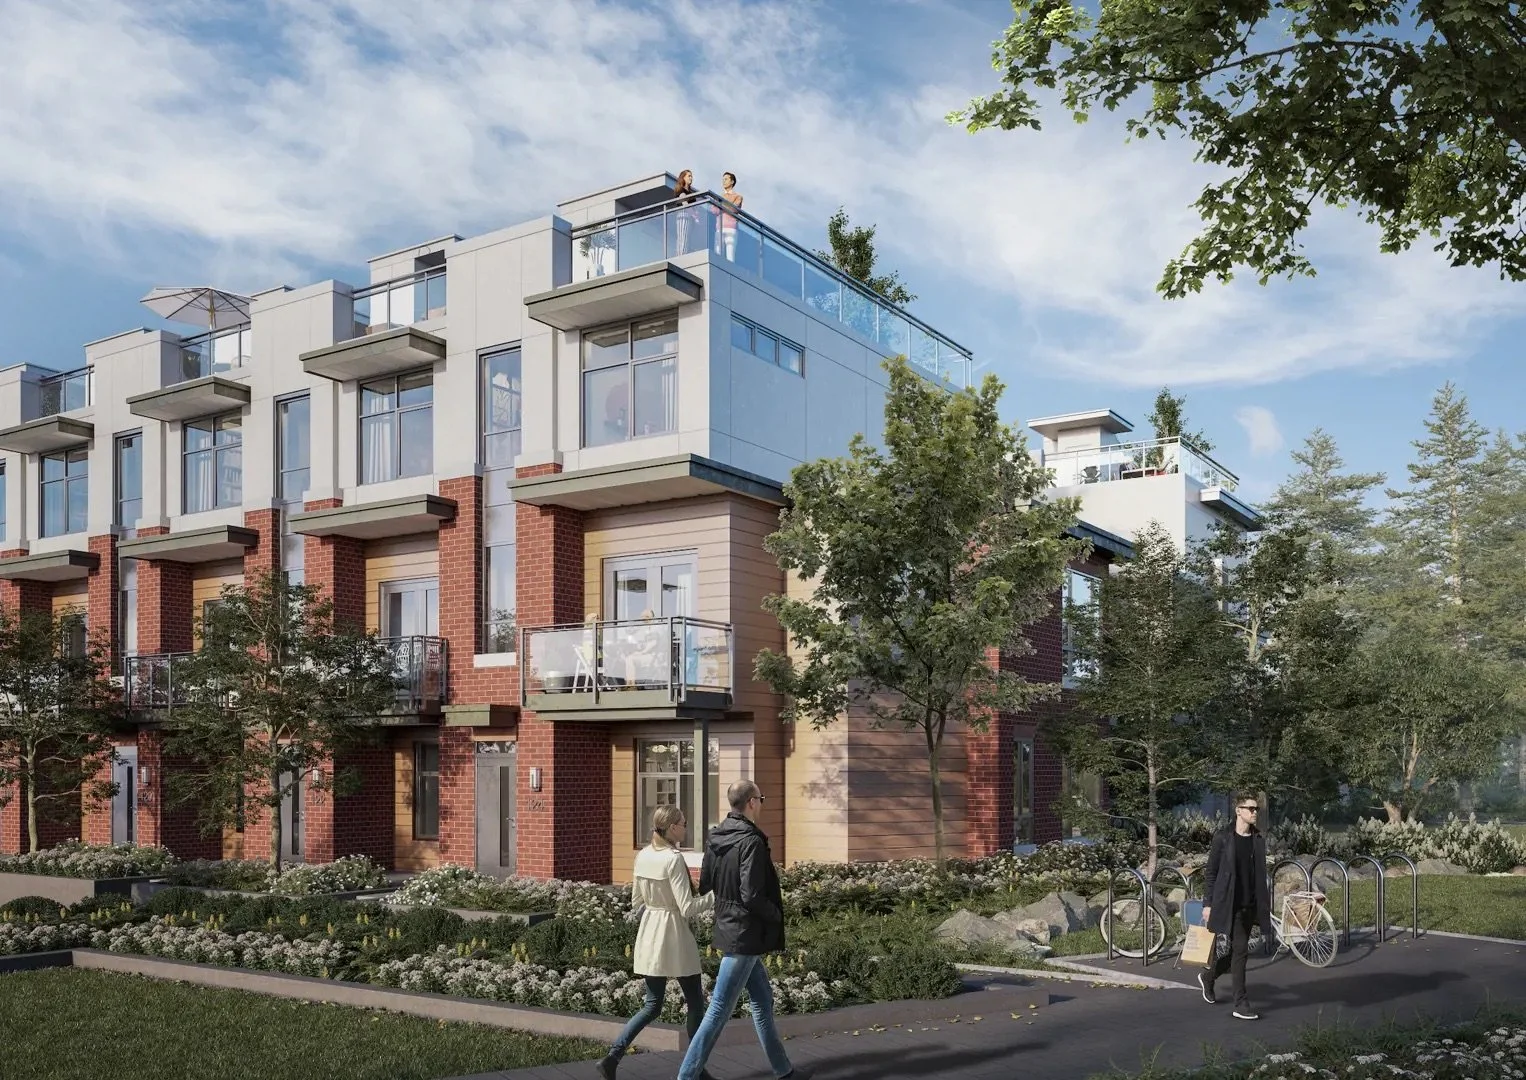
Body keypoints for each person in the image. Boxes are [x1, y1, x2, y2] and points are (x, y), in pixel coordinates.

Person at [676, 779, 802, 1080]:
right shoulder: (752, 841)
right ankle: (686, 1076)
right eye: (761, 798)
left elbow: (705, 883)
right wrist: (776, 915)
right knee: (719, 1007)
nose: (761, 803)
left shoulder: (716, 837)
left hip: (729, 925)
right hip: (745, 933)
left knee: (761, 1000)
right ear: (751, 803)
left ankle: (784, 1070)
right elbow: (752, 895)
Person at [597, 804, 714, 1080]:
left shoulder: (643, 856)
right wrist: (717, 897)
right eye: (683, 823)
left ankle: (612, 1057)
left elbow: (637, 903)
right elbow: (687, 908)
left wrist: (655, 909)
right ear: (672, 828)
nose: (686, 827)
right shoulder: (673, 859)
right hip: (675, 935)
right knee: (696, 1004)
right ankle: (696, 1068)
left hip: (650, 933)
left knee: (652, 1004)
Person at [1198, 795, 1273, 1020]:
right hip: (1230, 904)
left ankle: (1209, 977)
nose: (1254, 812)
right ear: (1238, 810)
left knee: (1234, 951)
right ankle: (1240, 1003)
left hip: (1251, 903)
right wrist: (1208, 903)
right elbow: (1211, 873)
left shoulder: (1257, 838)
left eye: (1256, 809)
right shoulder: (1222, 838)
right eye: (1249, 808)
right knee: (1241, 950)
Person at [718, 171, 744, 262]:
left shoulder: (738, 196)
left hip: (731, 228)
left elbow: (734, 209)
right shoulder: (719, 196)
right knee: (717, 254)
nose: (723, 181)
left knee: (730, 256)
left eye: (726, 179)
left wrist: (721, 205)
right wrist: (727, 205)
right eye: (723, 179)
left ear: (732, 182)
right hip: (719, 227)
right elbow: (713, 210)